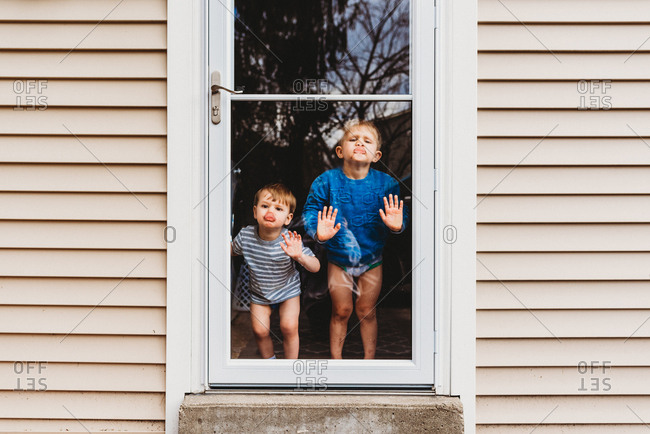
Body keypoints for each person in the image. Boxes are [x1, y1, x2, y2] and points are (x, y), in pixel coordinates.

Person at [303, 119, 409, 359]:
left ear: (376, 155)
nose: (359, 142)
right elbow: (310, 212)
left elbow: (403, 216)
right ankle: (337, 362)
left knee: (366, 311)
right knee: (341, 311)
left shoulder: (387, 184)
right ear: (340, 151)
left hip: (373, 259)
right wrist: (317, 231)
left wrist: (398, 225)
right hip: (338, 259)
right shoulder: (326, 181)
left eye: (367, 141)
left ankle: (368, 362)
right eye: (353, 139)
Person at [231, 183, 321, 359]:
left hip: (288, 290)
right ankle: (270, 365)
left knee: (289, 327)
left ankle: (290, 367)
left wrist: (299, 257)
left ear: (288, 219)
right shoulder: (245, 236)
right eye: (265, 206)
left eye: (278, 208)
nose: (270, 211)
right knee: (260, 331)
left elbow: (316, 266)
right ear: (255, 212)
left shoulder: (290, 239)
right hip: (259, 293)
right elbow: (230, 251)